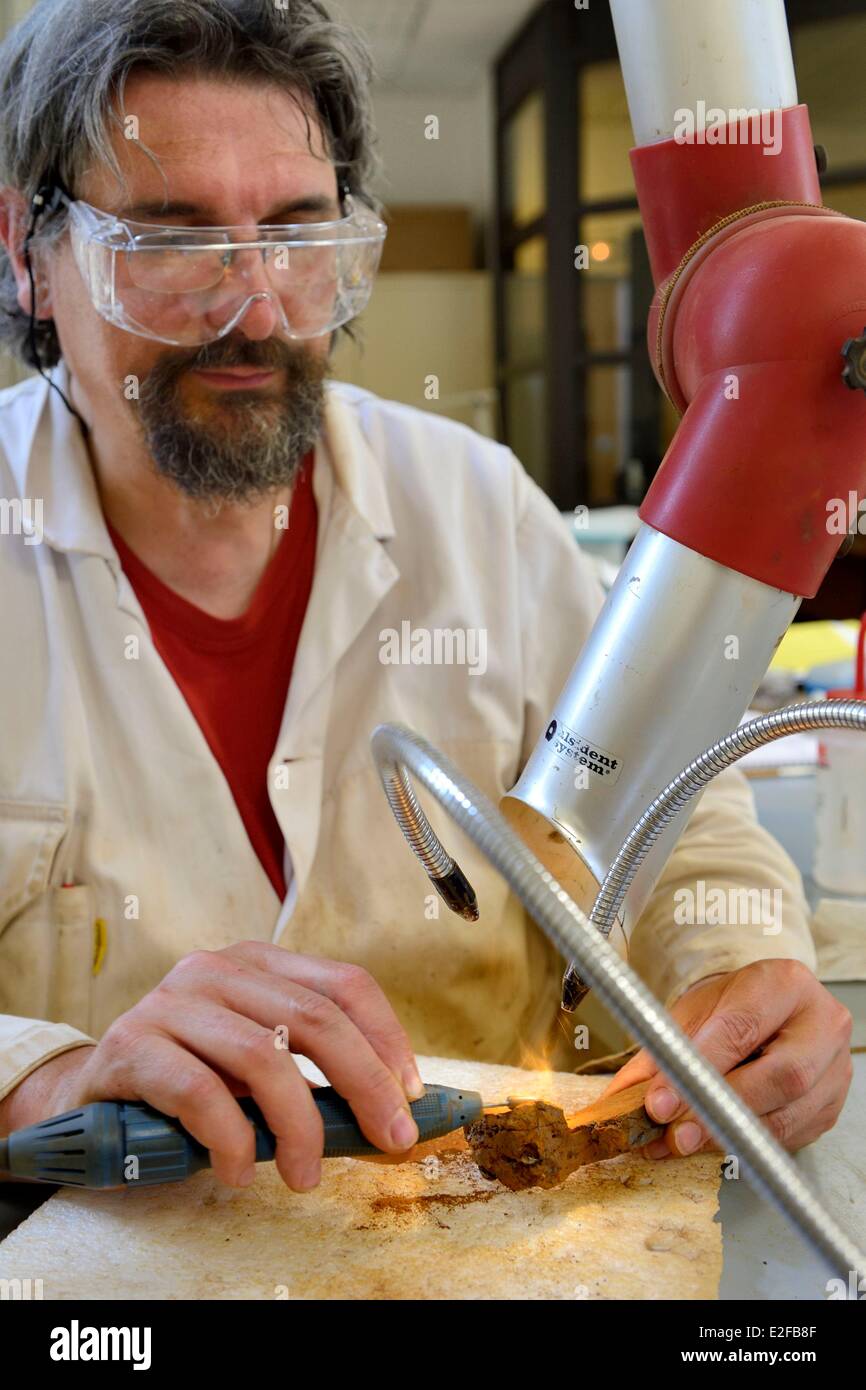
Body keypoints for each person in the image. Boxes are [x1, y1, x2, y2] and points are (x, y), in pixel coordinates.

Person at [0, 0, 851, 1193]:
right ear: (31, 254)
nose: (256, 306)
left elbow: (677, 816)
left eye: (300, 234)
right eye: (166, 243)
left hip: (482, 1242)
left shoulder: (478, 509)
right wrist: (42, 1077)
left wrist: (732, 979)